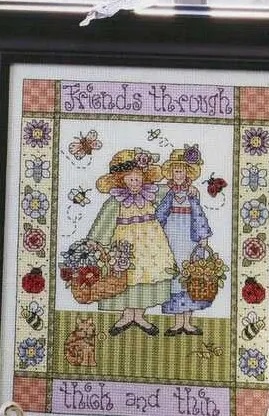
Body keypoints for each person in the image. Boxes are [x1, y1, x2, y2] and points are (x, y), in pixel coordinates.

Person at [87, 148, 175, 336]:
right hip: (124, 243)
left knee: (147, 274)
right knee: (125, 276)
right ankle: (127, 315)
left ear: (145, 177)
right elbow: (106, 219)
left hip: (150, 243)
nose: (135, 182)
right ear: (121, 180)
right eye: (130, 179)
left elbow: (171, 192)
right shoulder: (116, 199)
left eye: (138, 178)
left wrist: (184, 188)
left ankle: (139, 315)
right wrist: (96, 240)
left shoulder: (152, 193)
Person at [156, 144, 213, 336]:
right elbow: (160, 214)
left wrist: (203, 236)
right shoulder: (169, 193)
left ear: (187, 172)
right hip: (171, 237)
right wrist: (156, 232)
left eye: (181, 171)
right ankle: (177, 322)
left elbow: (199, 215)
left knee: (190, 275)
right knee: (174, 274)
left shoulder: (192, 193)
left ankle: (187, 322)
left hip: (189, 237)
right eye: (175, 171)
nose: (178, 175)